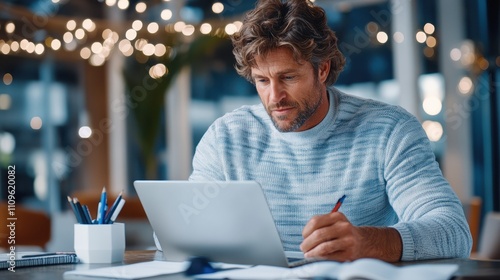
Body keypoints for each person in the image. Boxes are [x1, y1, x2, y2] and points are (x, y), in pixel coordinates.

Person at [188, 0, 472, 262]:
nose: (274, 96)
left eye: (288, 77)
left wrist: (367, 243)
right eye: (262, 80)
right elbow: (180, 230)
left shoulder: (390, 130)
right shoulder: (225, 138)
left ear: (322, 69)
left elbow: (453, 233)